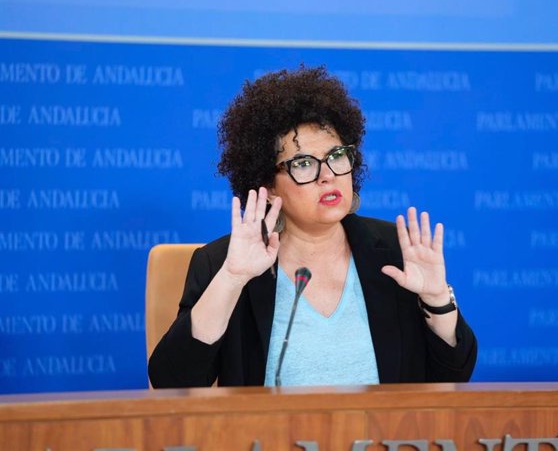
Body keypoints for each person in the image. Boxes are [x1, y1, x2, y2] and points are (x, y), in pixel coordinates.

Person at [148, 66, 477, 388]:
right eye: (303, 163)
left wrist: (436, 299)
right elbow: (173, 382)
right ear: (269, 184)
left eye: (336, 155)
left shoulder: (395, 251)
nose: (328, 174)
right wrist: (232, 280)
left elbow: (453, 379)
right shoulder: (224, 263)